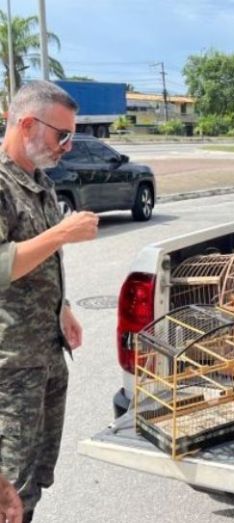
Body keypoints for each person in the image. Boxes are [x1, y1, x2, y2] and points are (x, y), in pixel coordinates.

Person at [0, 81, 99, 523]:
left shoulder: (38, 181)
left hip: (44, 356)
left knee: (35, 480)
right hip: (11, 370)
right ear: (25, 124)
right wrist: (62, 232)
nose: (67, 145)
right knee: (10, 496)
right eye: (62, 135)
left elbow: (39, 262)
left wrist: (64, 307)